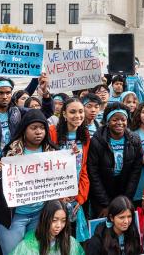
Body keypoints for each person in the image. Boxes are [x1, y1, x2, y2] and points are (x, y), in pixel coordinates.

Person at [0, 109, 57, 255]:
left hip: (40, 215)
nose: (38, 132)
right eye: (33, 128)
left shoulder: (53, 152)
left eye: (42, 128)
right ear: (24, 129)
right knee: (13, 252)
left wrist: (71, 157)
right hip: (12, 218)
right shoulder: (10, 152)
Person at [87, 103, 143, 217]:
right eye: (115, 119)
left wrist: (126, 199)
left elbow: (135, 171)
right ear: (107, 122)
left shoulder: (135, 140)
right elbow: (93, 173)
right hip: (102, 193)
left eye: (123, 119)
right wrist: (105, 204)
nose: (119, 123)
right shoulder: (97, 141)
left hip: (124, 189)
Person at [48, 98, 90, 240]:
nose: (77, 116)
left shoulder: (85, 135)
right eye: (72, 112)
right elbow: (46, 169)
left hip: (75, 198)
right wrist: (59, 196)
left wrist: (80, 197)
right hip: (55, 198)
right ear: (64, 114)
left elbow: (83, 169)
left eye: (80, 111)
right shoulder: (52, 133)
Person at [0, 76, 51, 158]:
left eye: (8, 93)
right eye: (0, 93)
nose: (5, 96)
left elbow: (44, 113)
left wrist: (45, 93)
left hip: (15, 162)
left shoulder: (18, 112)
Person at [10, 200, 84, 255]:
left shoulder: (72, 243)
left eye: (63, 221)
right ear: (45, 219)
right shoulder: (26, 247)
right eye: (54, 220)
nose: (59, 225)